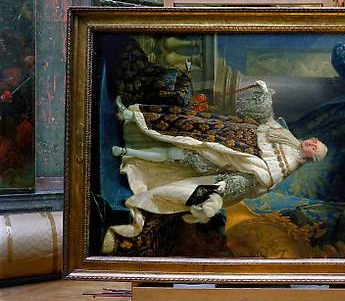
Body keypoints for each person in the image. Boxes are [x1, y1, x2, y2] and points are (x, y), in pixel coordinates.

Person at [102, 81, 327, 253]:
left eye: (314, 148)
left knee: (176, 154)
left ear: (310, 158)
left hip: (218, 156)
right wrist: (265, 95)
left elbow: (244, 181)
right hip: (218, 131)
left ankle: (128, 153)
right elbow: (267, 121)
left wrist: (215, 195)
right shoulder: (289, 137)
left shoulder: (280, 169)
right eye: (314, 141)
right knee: (178, 123)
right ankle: (129, 117)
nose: (312, 143)